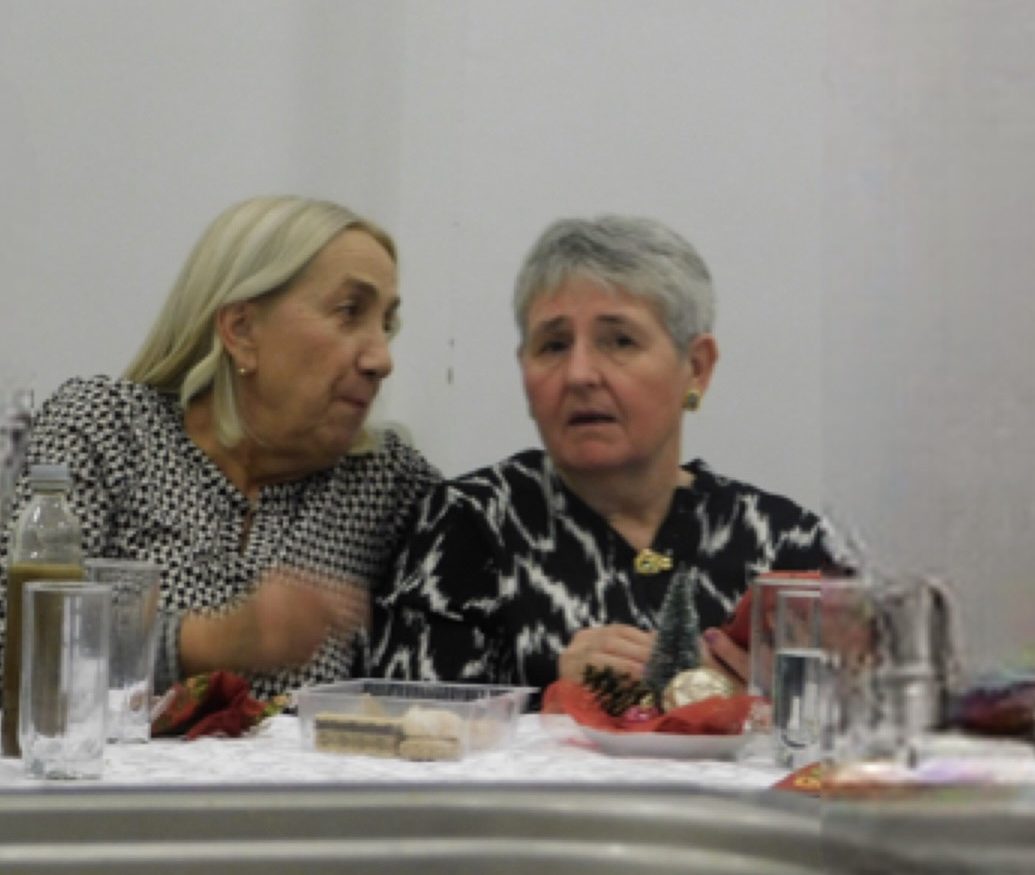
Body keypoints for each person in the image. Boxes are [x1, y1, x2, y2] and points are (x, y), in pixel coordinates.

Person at [370, 215, 838, 694]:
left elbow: (864, 721)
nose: (579, 375)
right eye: (553, 345)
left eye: (620, 341)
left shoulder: (786, 547)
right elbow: (408, 724)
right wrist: (555, 699)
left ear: (696, 369)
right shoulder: (469, 523)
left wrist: (755, 707)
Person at [0, 195, 439, 700]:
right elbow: (16, 642)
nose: (381, 359)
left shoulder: (387, 482)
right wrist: (211, 642)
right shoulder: (107, 428)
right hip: (101, 754)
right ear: (241, 330)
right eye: (349, 312)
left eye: (386, 325)